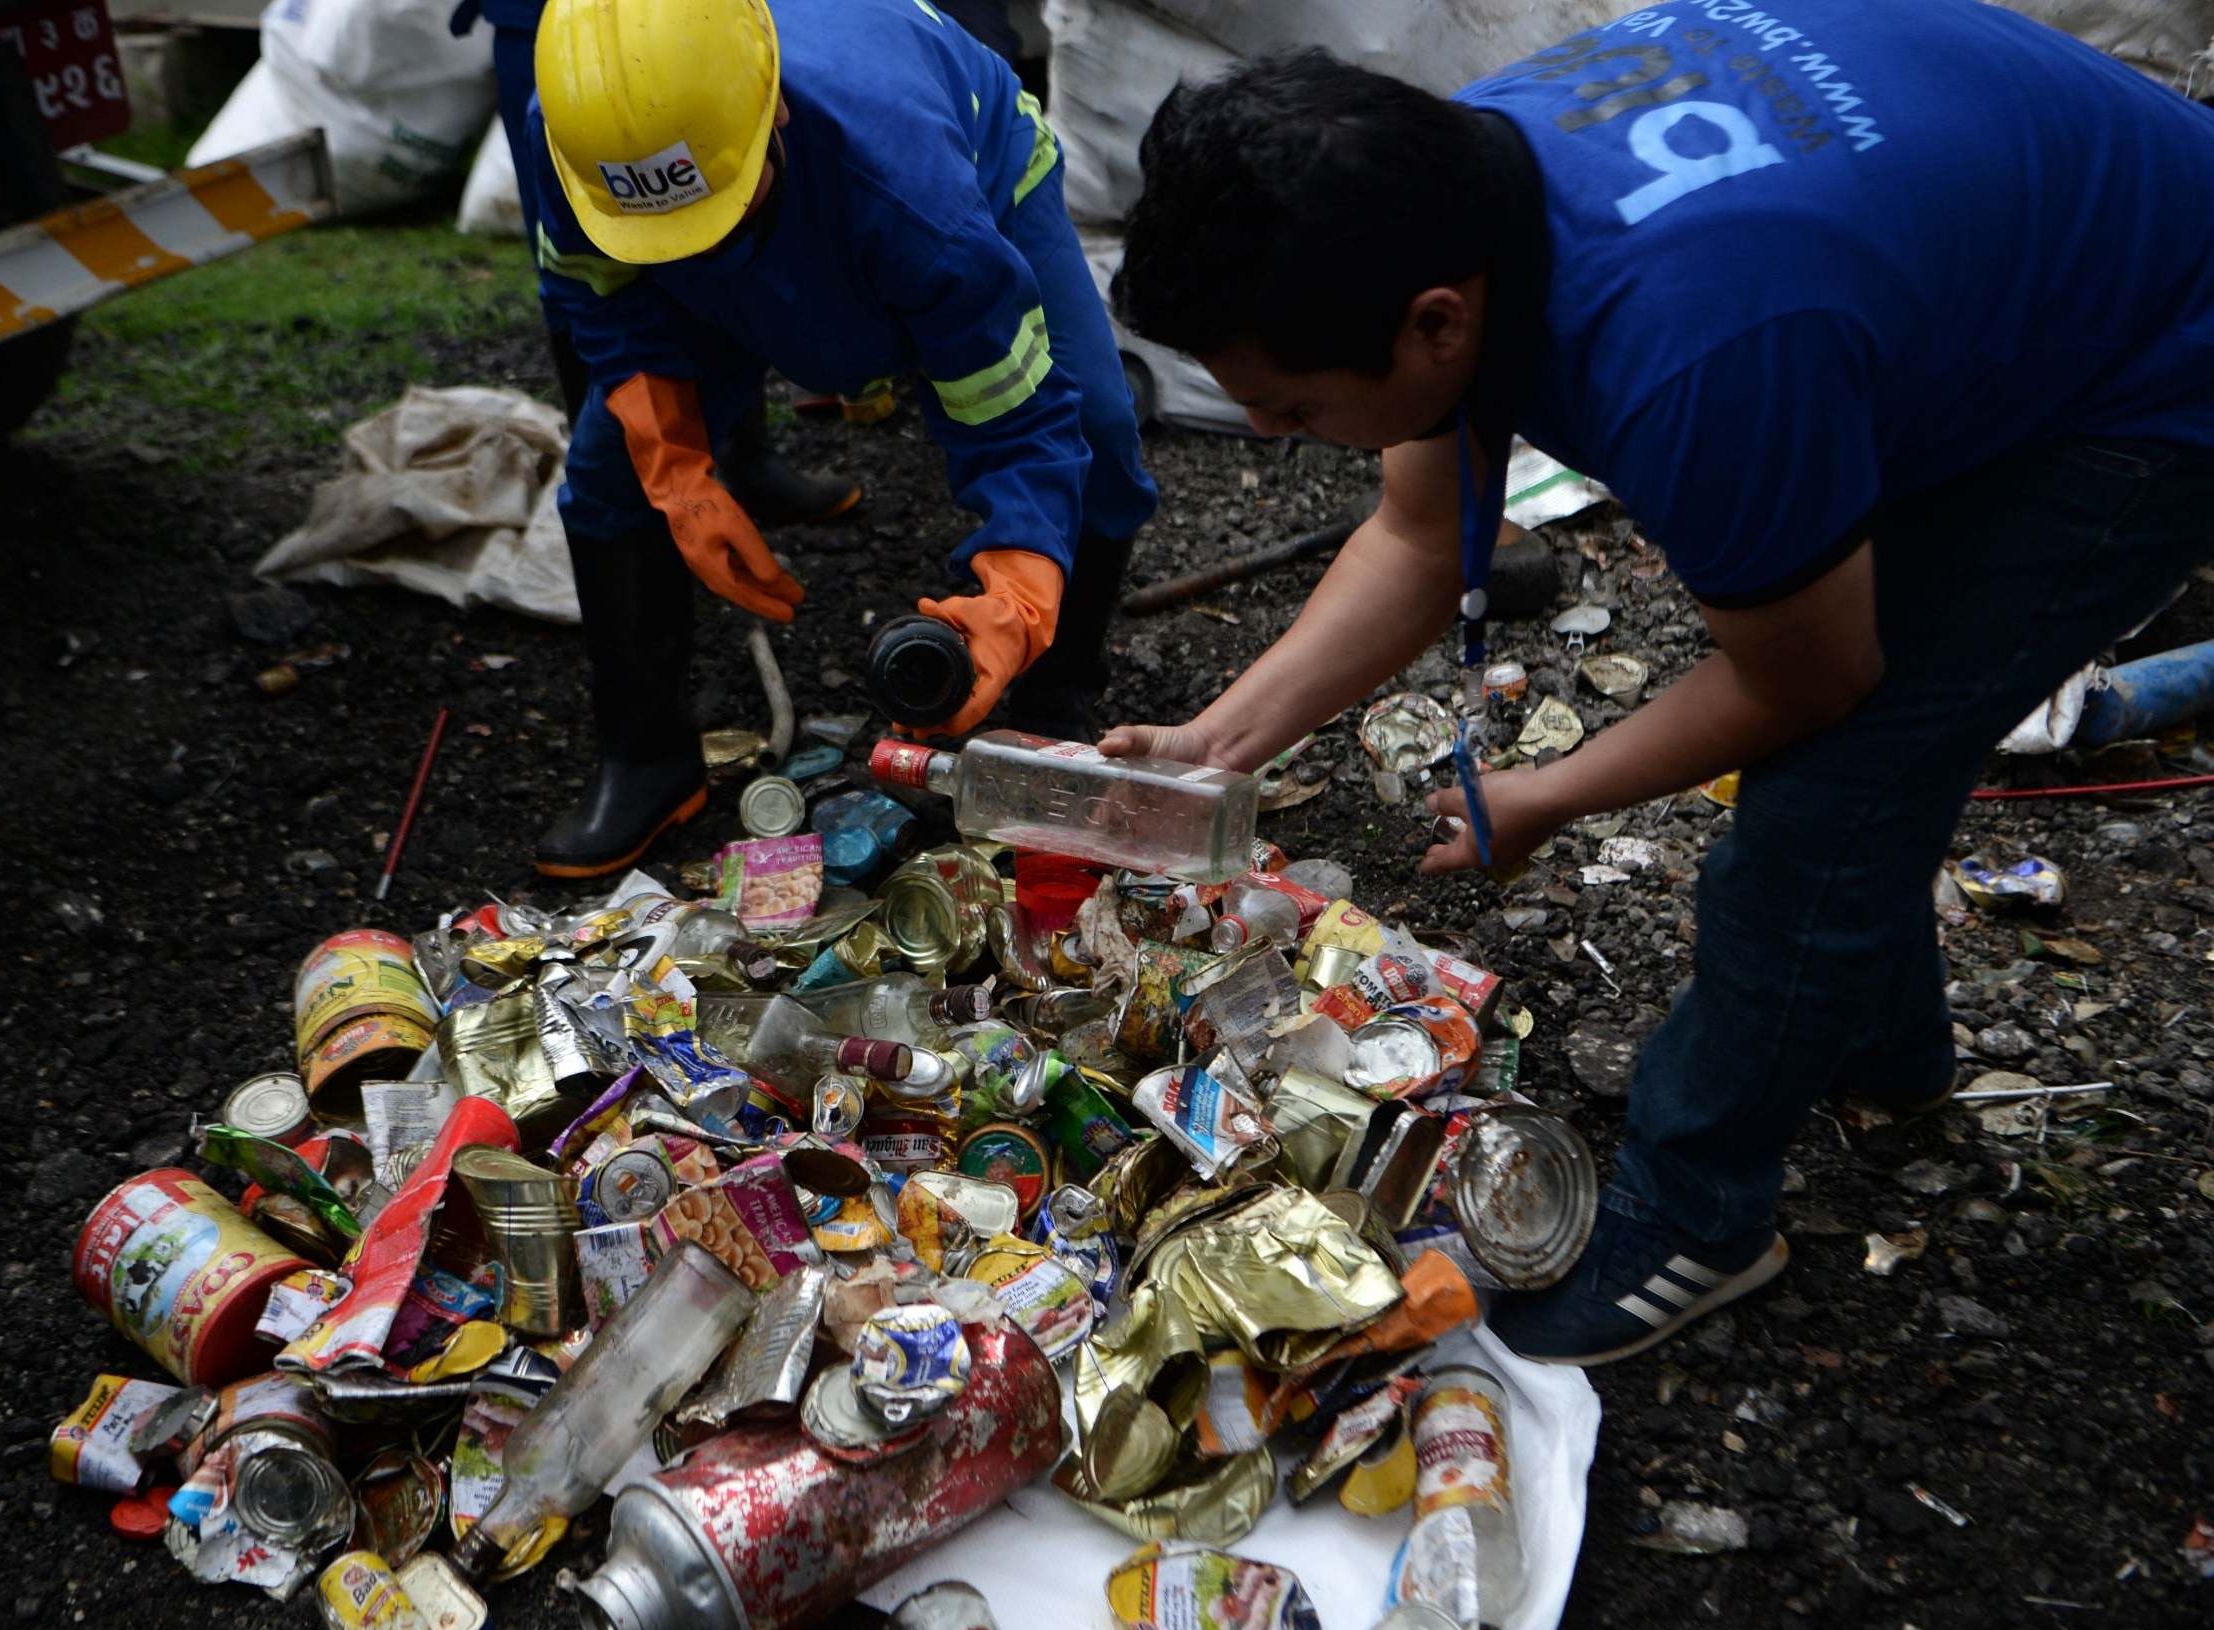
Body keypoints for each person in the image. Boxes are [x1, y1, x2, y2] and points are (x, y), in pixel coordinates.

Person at [1099, 0, 2214, 1365]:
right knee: (1877, 763)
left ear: (1437, 324)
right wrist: (1227, 739)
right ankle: (1883, 1048)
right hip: (1986, 260)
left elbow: (1811, 678)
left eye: (1293, 410)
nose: (1277, 439)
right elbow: (1413, 526)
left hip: (2156, 366)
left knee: (1817, 817)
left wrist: (1550, 793)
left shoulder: (1696, 351)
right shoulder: (1444, 185)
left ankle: (1702, 1209)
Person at [524, 0, 1156, 878]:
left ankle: (1055, 709)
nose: (705, 245)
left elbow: (1017, 417)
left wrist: (1016, 592)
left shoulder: (913, 193)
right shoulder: (583, 134)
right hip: (794, 209)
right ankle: (647, 758)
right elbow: (602, 295)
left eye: (723, 209)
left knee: (1094, 424)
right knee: (606, 478)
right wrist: (674, 469)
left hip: (964, 175)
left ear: (773, 108)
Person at [447, 0, 862, 525]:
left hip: (679, 24)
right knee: (586, 249)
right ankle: (622, 482)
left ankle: (740, 453)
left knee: (721, 217)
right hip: (541, 23)